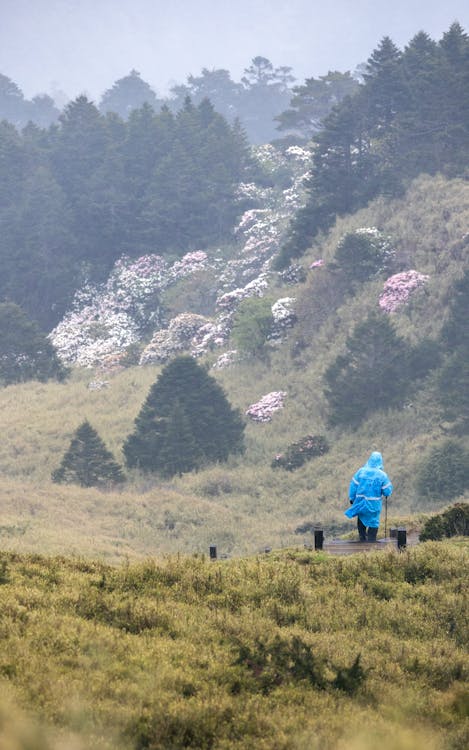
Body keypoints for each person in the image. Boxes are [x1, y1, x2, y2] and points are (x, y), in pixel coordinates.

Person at [344, 451, 393, 542]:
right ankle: (371, 542)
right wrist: (385, 493)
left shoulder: (361, 472)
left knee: (361, 519)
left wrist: (352, 498)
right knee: (373, 522)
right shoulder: (382, 475)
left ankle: (362, 540)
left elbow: (353, 486)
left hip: (361, 502)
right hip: (374, 504)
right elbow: (387, 491)